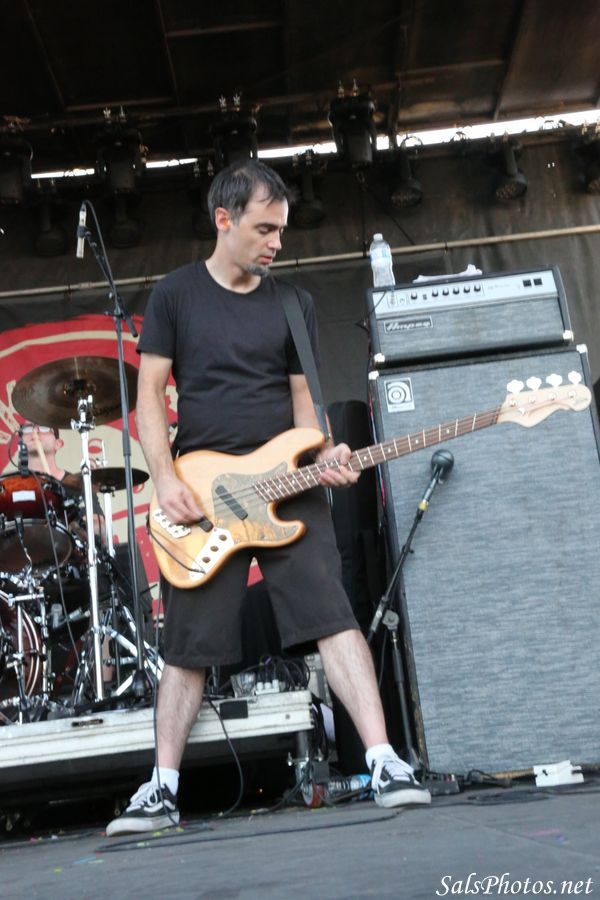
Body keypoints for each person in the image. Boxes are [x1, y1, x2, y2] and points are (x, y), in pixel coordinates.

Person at [106, 159, 431, 837]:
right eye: (263, 229)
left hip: (288, 487)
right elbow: (149, 398)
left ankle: (384, 762)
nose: (276, 242)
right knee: (188, 646)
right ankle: (162, 788)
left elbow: (304, 401)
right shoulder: (175, 295)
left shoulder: (293, 303)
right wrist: (164, 479)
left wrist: (325, 453)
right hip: (203, 492)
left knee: (333, 615)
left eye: (281, 230)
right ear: (222, 220)